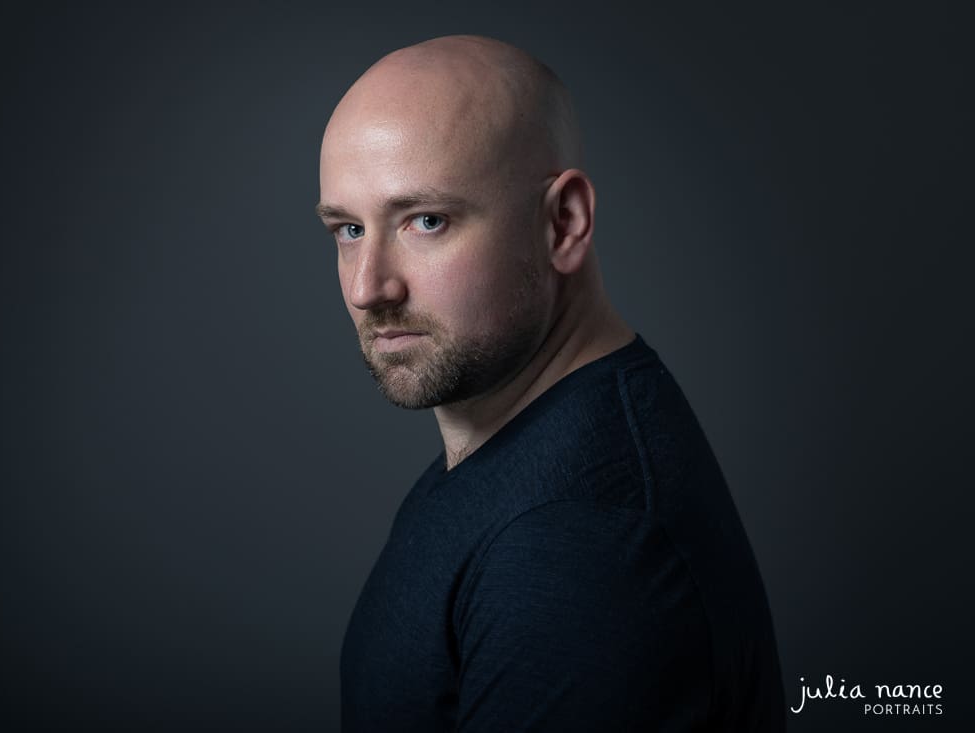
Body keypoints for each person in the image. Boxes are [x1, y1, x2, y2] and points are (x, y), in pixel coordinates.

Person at [316, 35, 785, 732]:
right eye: (350, 228)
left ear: (563, 222)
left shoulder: (580, 546)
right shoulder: (519, 438)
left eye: (426, 220)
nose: (367, 287)